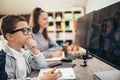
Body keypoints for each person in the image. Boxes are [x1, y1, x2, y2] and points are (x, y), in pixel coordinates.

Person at [1, 15, 62, 79]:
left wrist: (35, 51)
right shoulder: (3, 59)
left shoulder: (25, 53)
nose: (30, 33)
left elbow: (42, 66)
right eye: (24, 30)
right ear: (10, 36)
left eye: (29, 29)